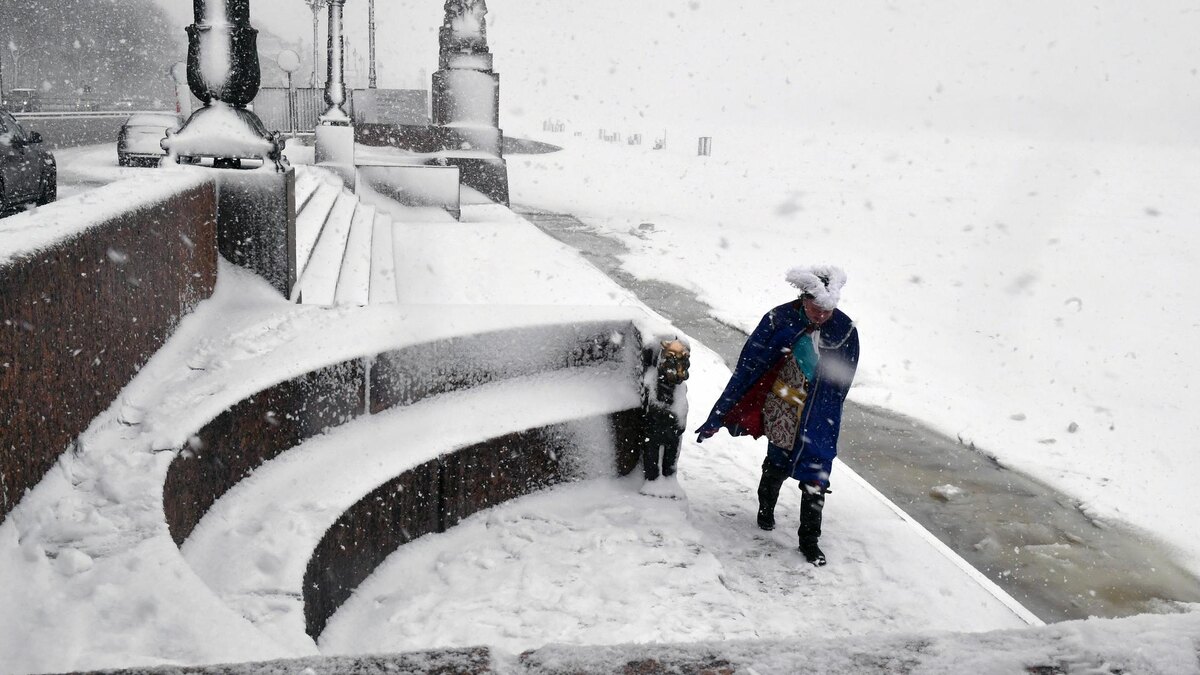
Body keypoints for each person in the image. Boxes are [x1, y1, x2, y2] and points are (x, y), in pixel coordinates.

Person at [695, 265, 859, 566]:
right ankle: (765, 508)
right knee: (778, 463)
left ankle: (809, 541)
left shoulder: (845, 329)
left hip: (820, 412)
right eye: (815, 309)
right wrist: (720, 415)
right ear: (803, 299)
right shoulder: (779, 319)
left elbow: (844, 379)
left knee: (816, 474)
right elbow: (749, 367)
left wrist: (827, 407)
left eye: (827, 311)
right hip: (783, 404)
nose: (822, 316)